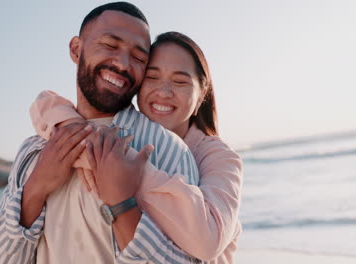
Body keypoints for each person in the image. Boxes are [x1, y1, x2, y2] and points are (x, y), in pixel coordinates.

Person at [0, 2, 203, 263]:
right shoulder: (34, 149)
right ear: (76, 49)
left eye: (138, 58)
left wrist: (122, 204)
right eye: (110, 45)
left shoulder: (165, 149)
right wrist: (36, 188)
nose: (122, 63)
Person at [30, 32, 243, 263]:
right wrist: (73, 129)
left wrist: (122, 170)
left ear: (201, 95)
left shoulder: (219, 157)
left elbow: (208, 240)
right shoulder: (129, 133)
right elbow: (46, 102)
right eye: (152, 78)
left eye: (180, 81)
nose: (164, 92)